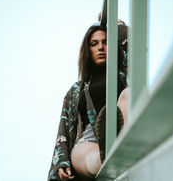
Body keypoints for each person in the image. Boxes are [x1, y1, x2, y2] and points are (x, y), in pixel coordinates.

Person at [47, 23, 129, 181]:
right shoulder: (76, 89)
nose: (100, 47)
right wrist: (62, 162)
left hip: (123, 122)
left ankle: (120, 144)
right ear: (87, 50)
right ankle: (107, 158)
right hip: (90, 138)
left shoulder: (123, 73)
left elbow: (130, 45)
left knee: (128, 93)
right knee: (92, 158)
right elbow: (63, 128)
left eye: (105, 42)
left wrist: (113, 23)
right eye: (94, 43)